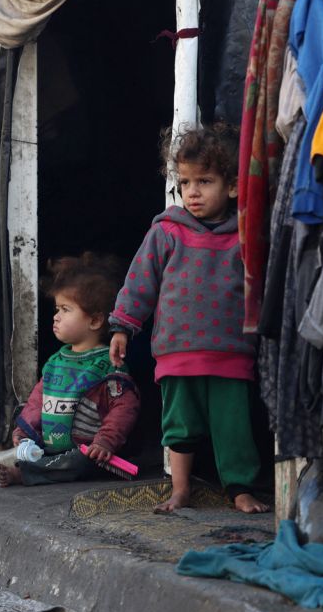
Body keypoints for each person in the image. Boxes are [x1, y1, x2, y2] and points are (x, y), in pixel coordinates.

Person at [109, 123, 269, 514]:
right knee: (179, 428)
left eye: (204, 181)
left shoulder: (245, 236)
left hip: (231, 351)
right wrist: (122, 327)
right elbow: (139, 282)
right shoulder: (167, 233)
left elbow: (262, 285)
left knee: (234, 429)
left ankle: (240, 489)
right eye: (185, 183)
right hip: (177, 353)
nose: (192, 192)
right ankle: (180, 488)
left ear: (232, 187)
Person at [0, 253, 140, 487]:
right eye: (57, 308)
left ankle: (26, 475)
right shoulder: (56, 361)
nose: (55, 317)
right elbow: (37, 401)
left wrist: (104, 442)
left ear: (95, 321)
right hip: (51, 449)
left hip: (89, 453)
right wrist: (24, 433)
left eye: (65, 309)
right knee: (34, 452)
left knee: (78, 461)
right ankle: (33, 467)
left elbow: (124, 409)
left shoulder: (108, 365)